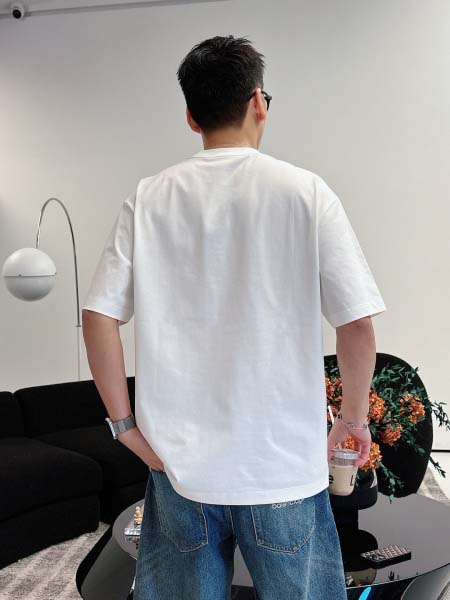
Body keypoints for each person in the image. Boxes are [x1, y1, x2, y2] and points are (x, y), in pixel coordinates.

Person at [82, 34, 386, 600]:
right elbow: (357, 324)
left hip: (179, 470)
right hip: (282, 468)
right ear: (258, 102)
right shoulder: (306, 192)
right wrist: (353, 419)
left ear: (191, 117)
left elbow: (98, 316)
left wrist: (124, 428)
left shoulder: (149, 197)